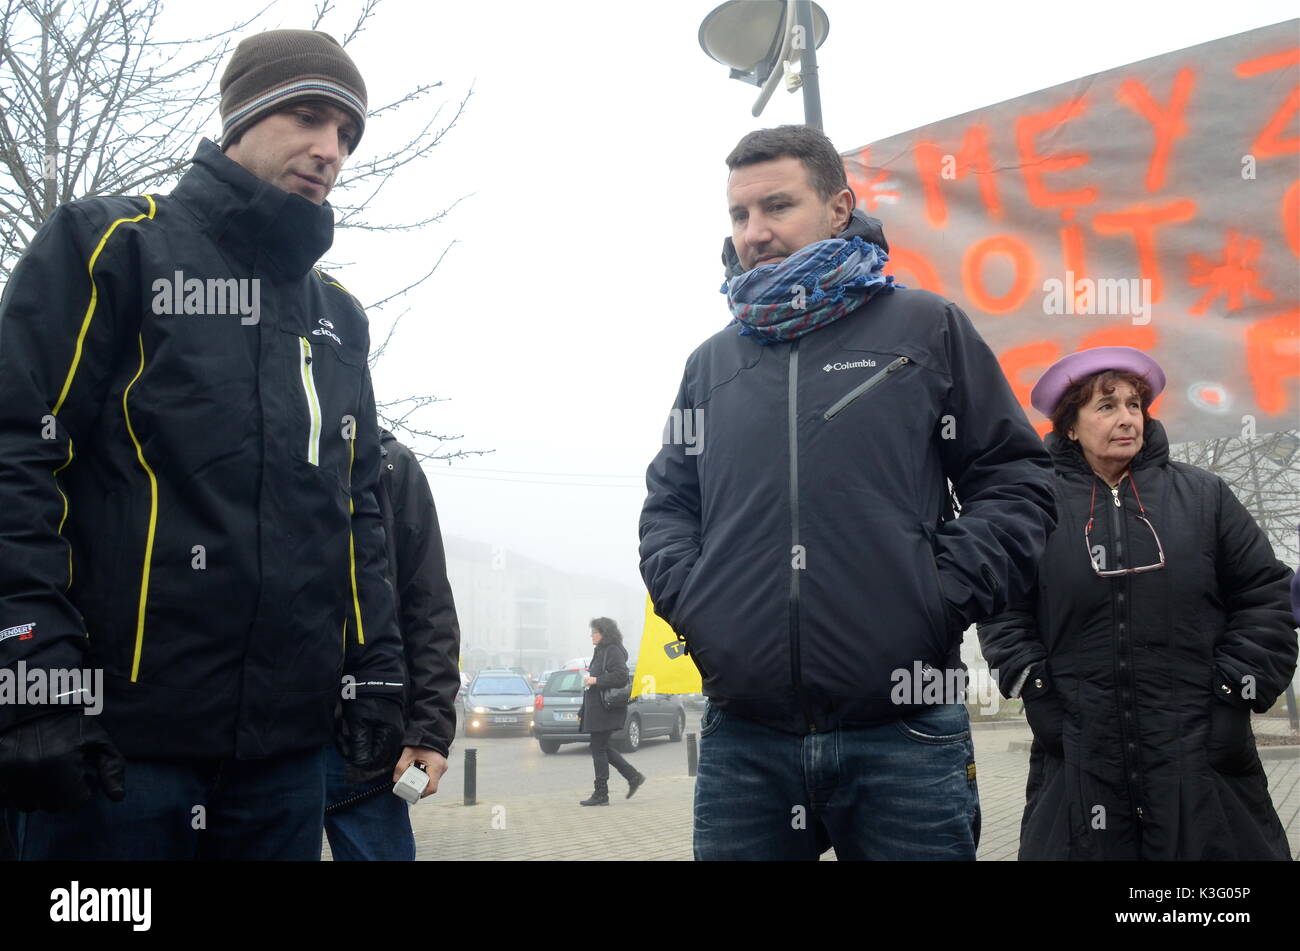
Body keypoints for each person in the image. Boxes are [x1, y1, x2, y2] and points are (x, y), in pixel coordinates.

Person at [0, 29, 406, 860]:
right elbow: (16, 450)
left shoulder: (339, 317)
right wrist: (31, 674)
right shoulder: (112, 244)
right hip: (117, 749)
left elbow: (358, 507)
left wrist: (377, 671)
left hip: (285, 759)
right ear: (241, 117)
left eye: (348, 135)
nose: (329, 150)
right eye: (308, 116)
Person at [638, 125, 1057, 860]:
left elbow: (1014, 480)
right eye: (739, 215)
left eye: (776, 206)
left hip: (907, 727)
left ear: (838, 208)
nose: (754, 232)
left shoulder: (925, 327)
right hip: (746, 740)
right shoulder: (711, 364)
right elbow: (670, 508)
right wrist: (702, 605)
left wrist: (938, 593)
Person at [978, 346, 1297, 860]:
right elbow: (1003, 611)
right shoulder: (1036, 505)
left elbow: (1265, 597)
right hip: (1080, 755)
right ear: (1071, 427)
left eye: (1134, 405)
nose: (1126, 418)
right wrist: (1038, 694)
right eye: (1106, 407)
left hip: (1200, 755)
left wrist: (1234, 692)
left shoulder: (1204, 496)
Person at [323, 429, 461, 860]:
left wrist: (430, 733)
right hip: (262, 738)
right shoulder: (244, 444)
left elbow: (430, 609)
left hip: (367, 735)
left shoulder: (390, 466)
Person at [577, 618, 645, 805]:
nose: (591, 635)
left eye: (594, 632)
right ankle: (633, 777)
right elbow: (592, 685)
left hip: (606, 709)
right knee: (602, 747)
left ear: (604, 633)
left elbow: (621, 676)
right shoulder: (600, 651)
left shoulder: (613, 650)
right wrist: (582, 710)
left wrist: (596, 680)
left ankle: (601, 794)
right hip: (596, 709)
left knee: (598, 748)